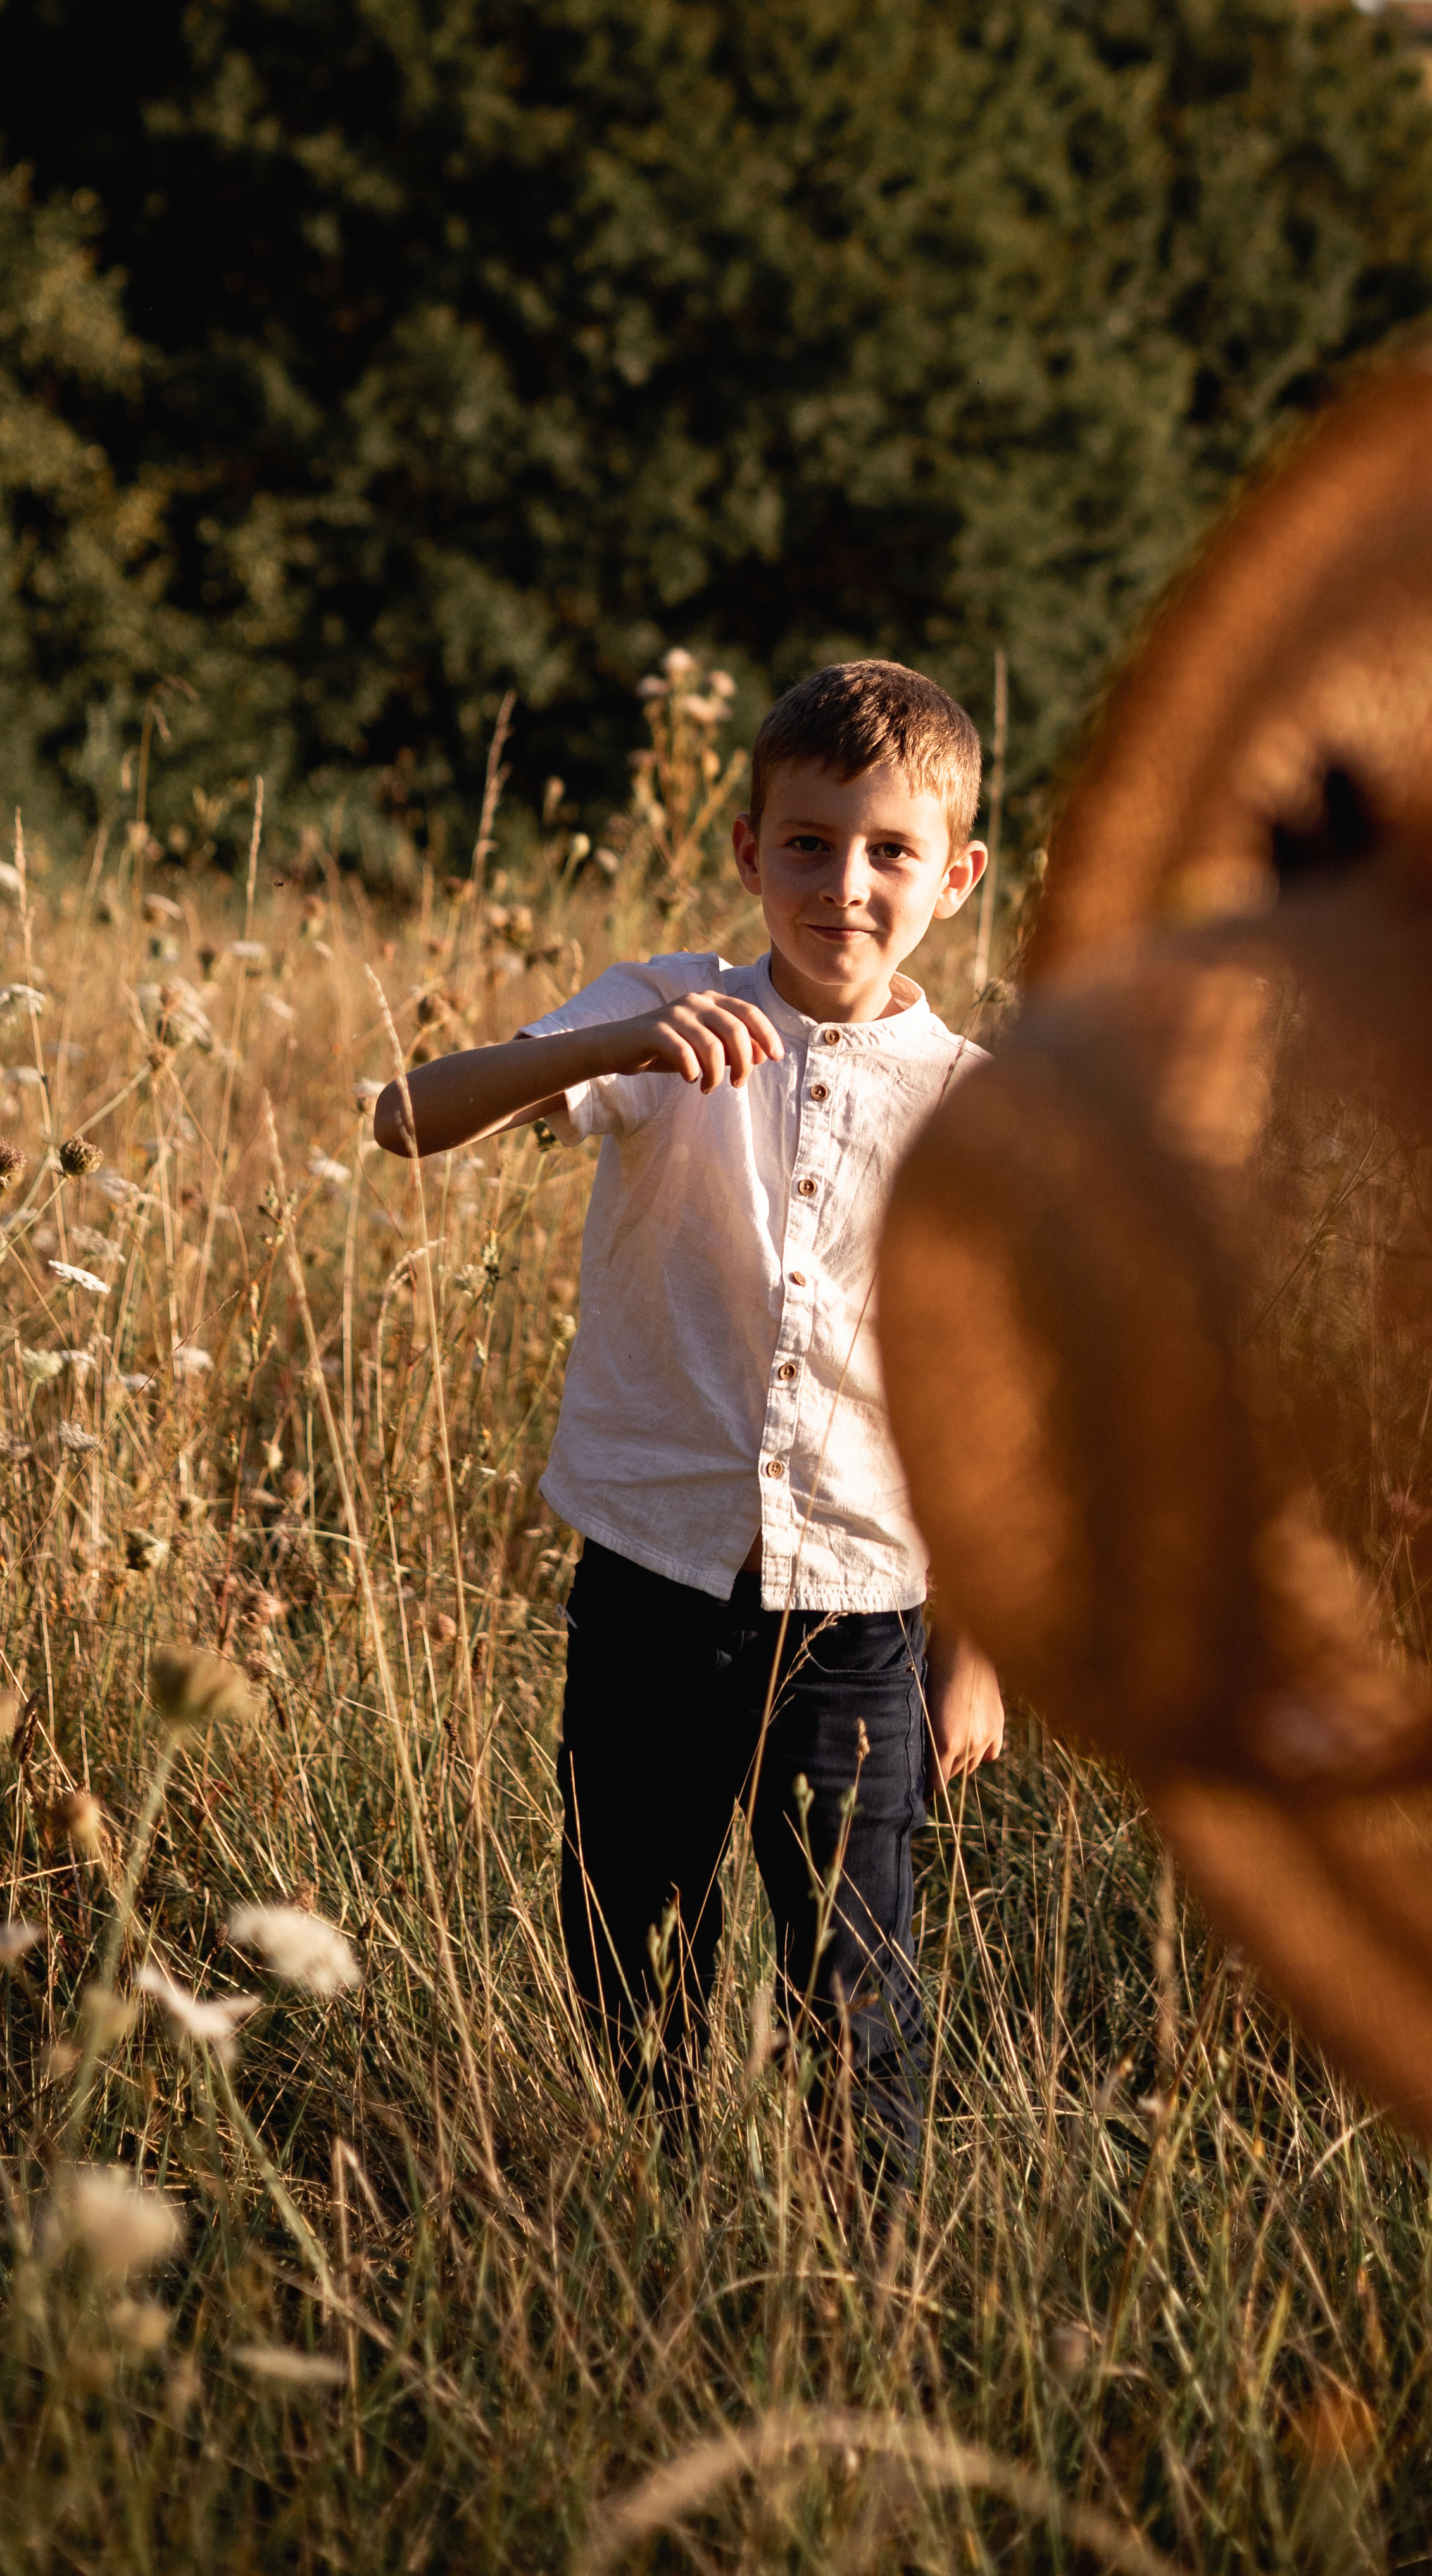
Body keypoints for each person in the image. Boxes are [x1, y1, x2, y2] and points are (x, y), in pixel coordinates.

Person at [375, 657, 1005, 2166]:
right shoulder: (664, 1012)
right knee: (629, 1949)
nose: (841, 883)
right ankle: (649, 2219)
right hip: (651, 1590)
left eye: (889, 851)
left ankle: (863, 2287)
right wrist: (615, 1047)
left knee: (853, 1992)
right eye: (805, 843)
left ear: (956, 877)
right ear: (746, 852)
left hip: (862, 1618)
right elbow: (403, 1119)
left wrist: (973, 1658)